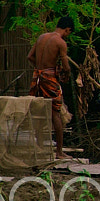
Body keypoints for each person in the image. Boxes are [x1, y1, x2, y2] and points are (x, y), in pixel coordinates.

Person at [27, 16, 74, 159]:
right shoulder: (60, 42)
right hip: (50, 79)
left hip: (38, 77)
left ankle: (40, 147)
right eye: (69, 33)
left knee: (40, 111)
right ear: (67, 30)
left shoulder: (42, 37)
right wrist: (66, 73)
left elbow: (30, 56)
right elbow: (66, 66)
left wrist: (40, 68)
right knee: (56, 114)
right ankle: (59, 152)